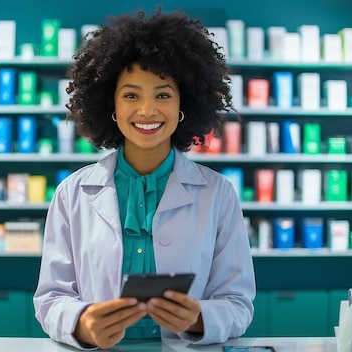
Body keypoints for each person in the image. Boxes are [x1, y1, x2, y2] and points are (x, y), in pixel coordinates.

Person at [33, 7, 256, 350]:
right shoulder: (72, 193)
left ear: (185, 104)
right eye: (131, 95)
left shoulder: (218, 194)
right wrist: (82, 324)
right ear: (111, 104)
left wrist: (198, 318)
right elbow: (51, 297)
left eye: (163, 94)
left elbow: (238, 303)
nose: (147, 111)